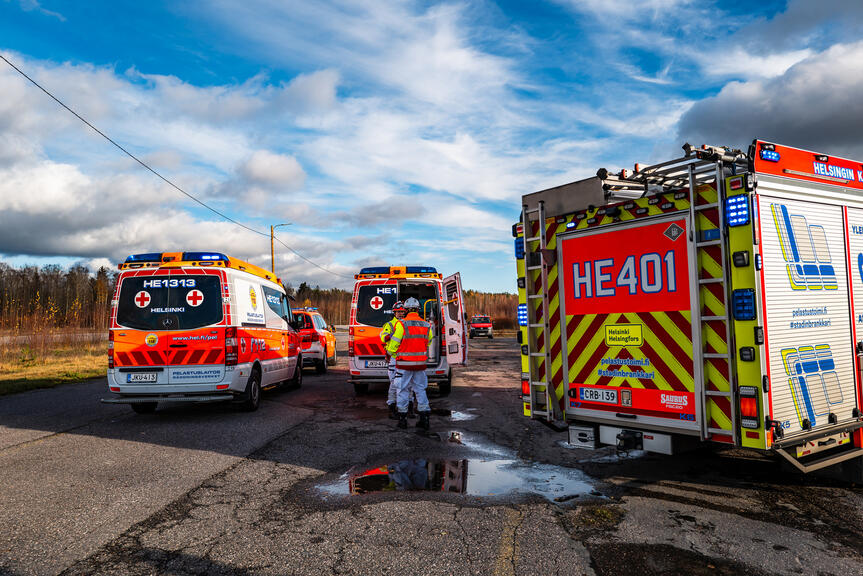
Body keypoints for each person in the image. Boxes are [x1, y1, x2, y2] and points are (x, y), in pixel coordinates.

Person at [386, 297, 433, 430]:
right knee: (420, 390)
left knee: (402, 390)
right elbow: (428, 341)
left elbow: (394, 344)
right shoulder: (426, 325)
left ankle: (402, 420)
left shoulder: (401, 324)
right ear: (418, 309)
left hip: (404, 365)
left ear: (405, 310)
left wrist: (389, 354)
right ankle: (424, 419)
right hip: (420, 365)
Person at [380, 301, 406, 419]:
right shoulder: (390, 325)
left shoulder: (407, 323)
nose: (400, 314)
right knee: (394, 384)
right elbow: (382, 337)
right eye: (398, 312)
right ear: (394, 312)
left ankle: (408, 408)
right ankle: (391, 407)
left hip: (406, 358)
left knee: (407, 385)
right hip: (394, 358)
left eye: (402, 312)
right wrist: (390, 336)